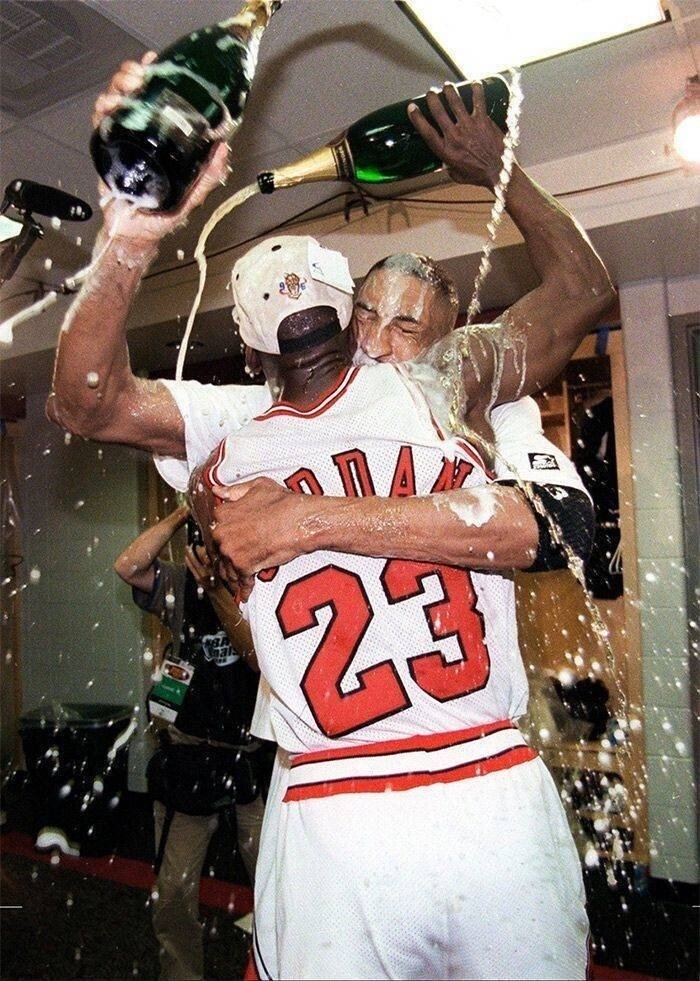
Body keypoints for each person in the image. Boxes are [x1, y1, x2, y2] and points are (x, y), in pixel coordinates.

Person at [187, 238, 594, 979]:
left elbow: (560, 528)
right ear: (348, 319)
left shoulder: (453, 395)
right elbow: (95, 402)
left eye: (404, 326)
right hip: (407, 776)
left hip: (395, 783)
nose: (379, 341)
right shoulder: (243, 447)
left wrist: (307, 520)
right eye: (370, 317)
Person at [114, 505, 265, 981]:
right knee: (175, 892)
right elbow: (128, 566)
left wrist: (226, 586)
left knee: (277, 886)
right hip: (190, 756)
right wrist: (183, 513)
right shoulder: (180, 587)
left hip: (249, 760)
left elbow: (260, 656)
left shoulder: (258, 588)